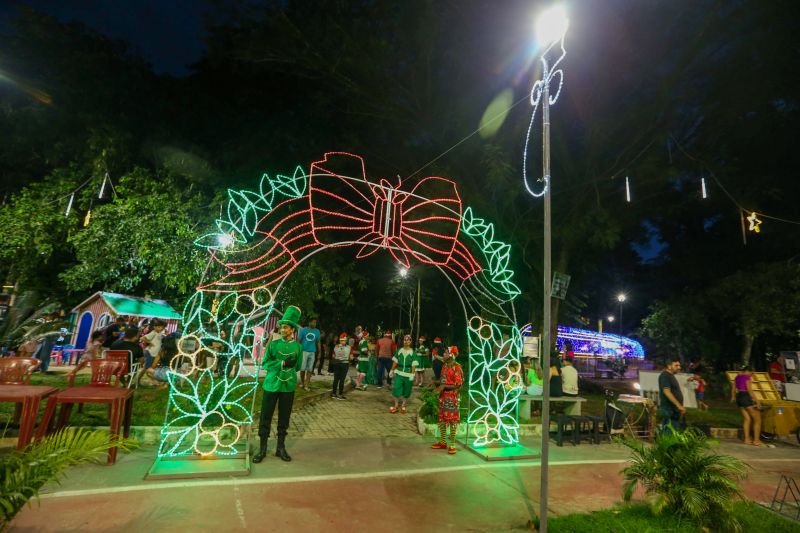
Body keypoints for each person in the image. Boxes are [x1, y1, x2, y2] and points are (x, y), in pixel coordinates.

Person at [254, 305, 303, 463]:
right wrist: (281, 364)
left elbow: (298, 366)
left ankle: (280, 448)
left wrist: (289, 367)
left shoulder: (298, 347)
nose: (282, 329)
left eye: (286, 327)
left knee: (284, 418)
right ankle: (262, 449)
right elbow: (265, 364)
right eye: (281, 326)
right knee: (265, 417)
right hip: (271, 385)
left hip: (288, 387)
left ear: (292, 330)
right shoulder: (273, 345)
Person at [431, 345, 464, 454]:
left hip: (452, 397)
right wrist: (436, 383)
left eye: (446, 352)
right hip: (443, 397)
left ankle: (453, 444)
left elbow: (458, 384)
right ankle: (443, 442)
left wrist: (444, 386)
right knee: (442, 419)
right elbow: (443, 380)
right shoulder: (445, 365)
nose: (444, 354)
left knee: (452, 420)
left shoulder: (457, 367)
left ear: (451, 355)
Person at [731, 366, 763, 446]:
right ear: (747, 371)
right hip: (746, 397)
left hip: (739, 398)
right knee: (757, 420)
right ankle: (756, 440)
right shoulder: (747, 377)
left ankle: (747, 439)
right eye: (752, 373)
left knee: (747, 419)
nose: (752, 375)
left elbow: (733, 389)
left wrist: (733, 397)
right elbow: (750, 390)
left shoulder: (737, 377)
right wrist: (757, 401)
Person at [389, 334, 418, 414]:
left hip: (408, 374)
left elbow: (414, 364)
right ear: (403, 341)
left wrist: (412, 374)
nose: (406, 341)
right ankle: (396, 405)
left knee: (407, 390)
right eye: (405, 340)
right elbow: (395, 361)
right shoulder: (399, 350)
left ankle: (403, 405)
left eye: (408, 340)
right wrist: (392, 370)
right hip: (399, 372)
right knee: (396, 388)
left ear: (410, 342)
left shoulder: (413, 352)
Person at [658, 357, 685, 431]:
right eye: (676, 365)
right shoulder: (665, 376)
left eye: (679, 365)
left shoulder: (671, 376)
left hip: (674, 409)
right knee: (669, 432)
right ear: (669, 366)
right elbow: (667, 392)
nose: (679, 367)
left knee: (673, 431)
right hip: (669, 409)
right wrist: (679, 405)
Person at [298, 318, 321, 391]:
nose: (314, 324)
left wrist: (319, 352)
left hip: (312, 352)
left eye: (315, 323)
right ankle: (302, 382)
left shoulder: (317, 331)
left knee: (310, 369)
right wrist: (298, 350)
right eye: (313, 322)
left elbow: (318, 342)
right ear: (309, 322)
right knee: (302, 369)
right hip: (304, 351)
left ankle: (306, 384)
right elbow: (299, 341)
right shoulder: (303, 330)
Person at [331, 332, 351, 400]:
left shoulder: (336, 346)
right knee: (342, 379)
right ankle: (340, 395)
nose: (342, 341)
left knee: (336, 379)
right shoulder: (349, 347)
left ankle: (334, 394)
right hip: (344, 364)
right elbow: (351, 357)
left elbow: (333, 356)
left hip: (337, 363)